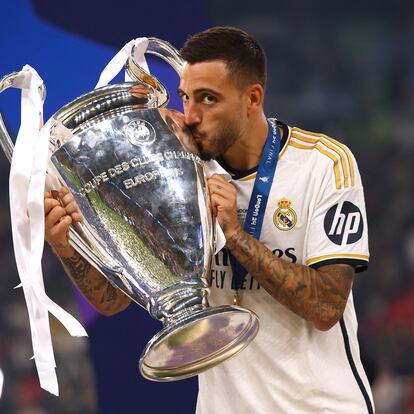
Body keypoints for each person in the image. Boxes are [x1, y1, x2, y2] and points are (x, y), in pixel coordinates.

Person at [45, 27, 374, 413]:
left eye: (208, 99)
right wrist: (68, 249)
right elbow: (114, 299)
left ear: (252, 99)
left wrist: (236, 236)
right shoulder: (177, 170)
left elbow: (326, 308)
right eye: (185, 97)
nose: (192, 116)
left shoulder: (323, 164)